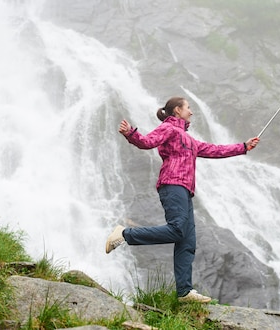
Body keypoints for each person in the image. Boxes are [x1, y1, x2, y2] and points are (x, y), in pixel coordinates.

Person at [106, 96, 259, 303]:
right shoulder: (168, 129)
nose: (192, 112)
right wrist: (130, 133)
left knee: (187, 240)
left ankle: (184, 293)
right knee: (178, 229)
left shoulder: (189, 140)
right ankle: (124, 234)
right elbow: (146, 142)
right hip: (172, 185)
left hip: (185, 190)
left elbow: (215, 150)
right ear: (177, 110)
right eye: (188, 108)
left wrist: (243, 146)